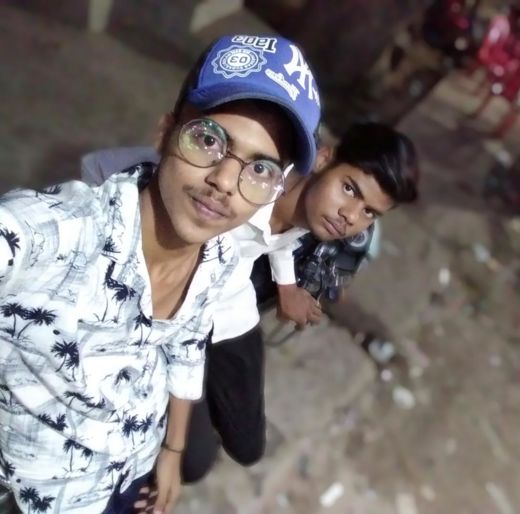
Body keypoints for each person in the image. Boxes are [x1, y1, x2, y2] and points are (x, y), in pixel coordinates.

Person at [0, 33, 320, 514]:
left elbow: (186, 345)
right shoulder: (53, 235)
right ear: (166, 132)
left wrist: (171, 451)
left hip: (133, 469)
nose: (224, 183)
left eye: (259, 169)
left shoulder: (218, 258)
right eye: (208, 140)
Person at [81, 121, 420, 494]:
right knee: (192, 459)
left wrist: (287, 287)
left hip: (232, 304)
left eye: (370, 212)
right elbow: (106, 169)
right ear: (324, 159)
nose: (351, 216)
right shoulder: (246, 185)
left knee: (247, 445)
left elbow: (280, 237)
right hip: (184, 307)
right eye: (349, 189)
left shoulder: (312, 215)